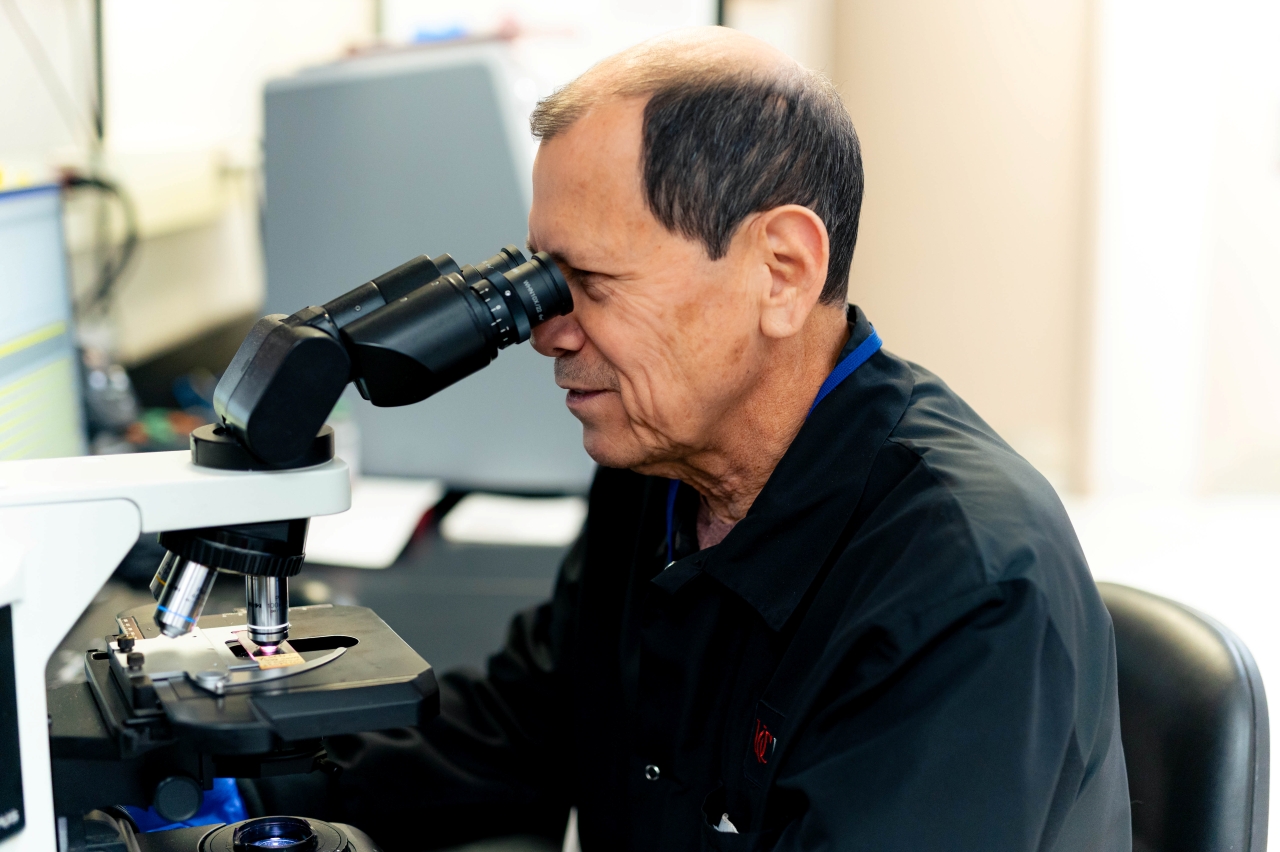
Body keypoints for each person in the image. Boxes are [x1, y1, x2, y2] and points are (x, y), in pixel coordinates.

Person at [315, 27, 1131, 851]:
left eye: (590, 282)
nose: (548, 333)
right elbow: (516, 729)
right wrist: (238, 773)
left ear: (780, 271)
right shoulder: (658, 471)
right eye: (544, 281)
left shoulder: (962, 585)